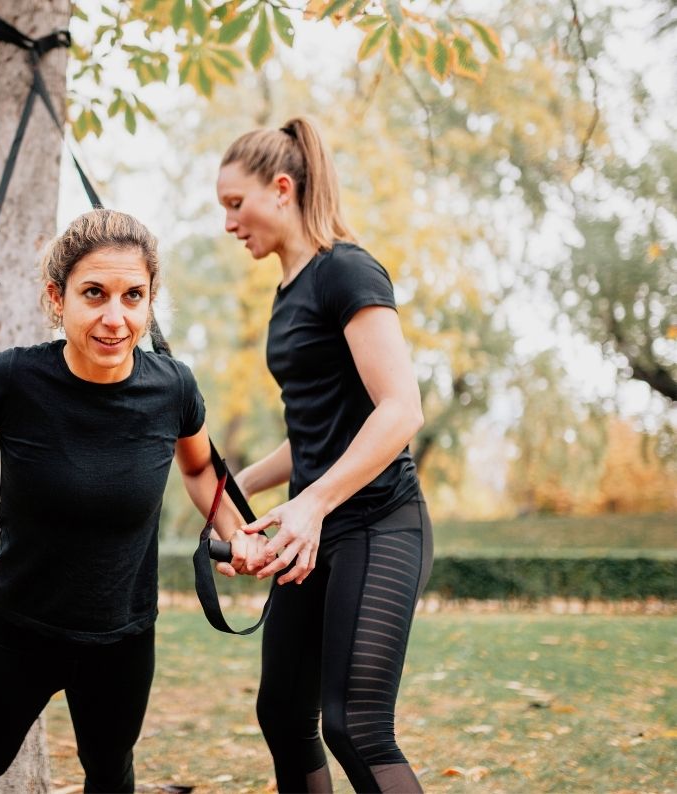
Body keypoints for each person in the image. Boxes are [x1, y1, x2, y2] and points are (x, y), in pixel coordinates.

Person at [0, 208, 262, 793]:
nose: (115, 318)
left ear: (149, 303)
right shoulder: (14, 379)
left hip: (122, 639)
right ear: (57, 297)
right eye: (94, 293)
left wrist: (241, 532)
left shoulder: (173, 387)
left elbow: (200, 470)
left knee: (111, 778)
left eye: (132, 296)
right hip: (16, 631)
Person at [216, 116, 434, 793]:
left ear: (281, 189)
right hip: (313, 531)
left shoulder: (346, 270)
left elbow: (399, 407)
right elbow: (316, 429)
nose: (228, 224)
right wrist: (232, 485)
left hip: (377, 524)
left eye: (235, 203)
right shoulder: (287, 295)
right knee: (282, 714)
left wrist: (309, 503)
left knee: (355, 725)